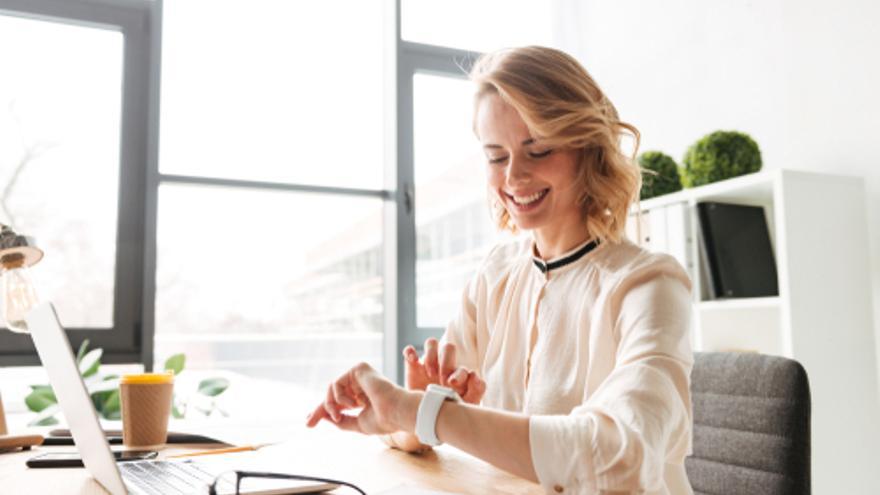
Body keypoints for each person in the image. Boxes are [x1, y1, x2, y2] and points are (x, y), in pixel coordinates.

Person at [306, 46, 693, 494]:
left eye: (539, 149)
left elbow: (619, 455)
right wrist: (412, 413)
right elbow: (414, 430)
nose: (514, 177)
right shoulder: (497, 274)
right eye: (496, 156)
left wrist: (424, 413)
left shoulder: (649, 285)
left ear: (587, 147)